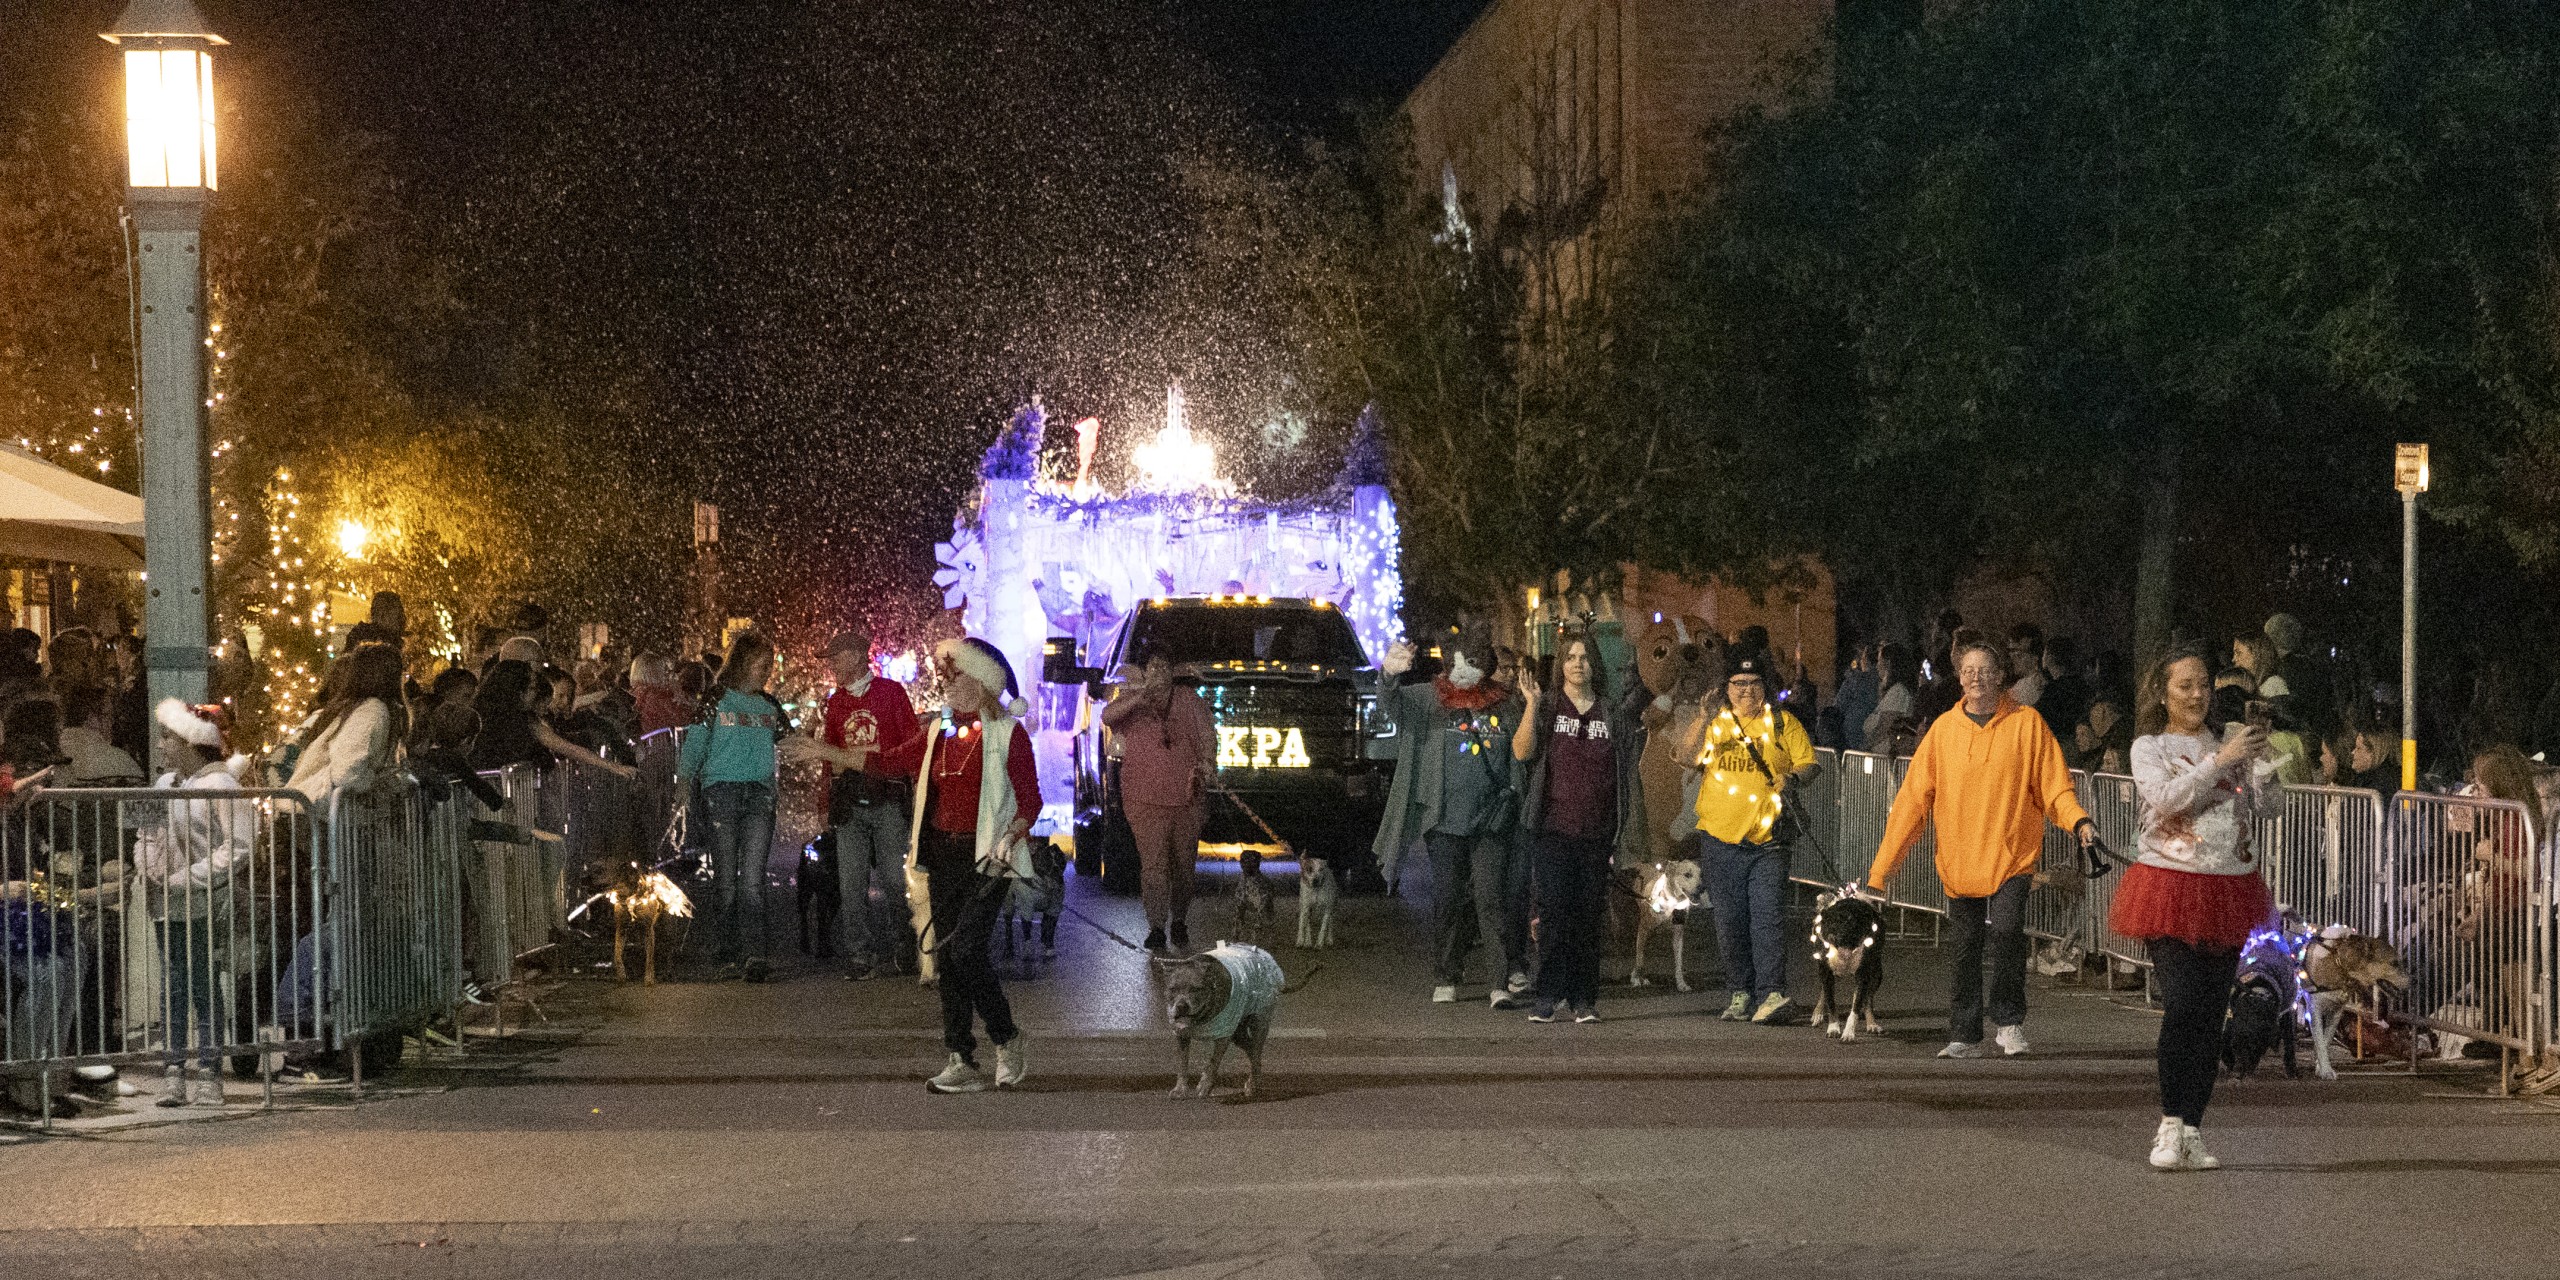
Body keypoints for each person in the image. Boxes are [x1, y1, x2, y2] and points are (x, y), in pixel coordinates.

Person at [1859, 640, 2095, 1059]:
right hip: (1959, 860)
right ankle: (1964, 1034)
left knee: (2006, 933)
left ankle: (2008, 1021)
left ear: (2000, 676)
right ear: (1959, 678)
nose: (1976, 678)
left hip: (2012, 857)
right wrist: (1881, 872)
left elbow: (2054, 786)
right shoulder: (1942, 732)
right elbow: (1911, 804)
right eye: (1968, 671)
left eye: (1985, 670)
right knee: (1965, 948)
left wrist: (2078, 820)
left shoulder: (2027, 724)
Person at [2110, 642, 2277, 1171]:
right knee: (2182, 1004)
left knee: (2210, 1013)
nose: (2197, 695)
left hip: (2229, 886)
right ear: (2162, 693)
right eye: (2184, 686)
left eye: (2203, 685)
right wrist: (2220, 761)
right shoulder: (2149, 746)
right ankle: (2169, 1121)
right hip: (2169, 885)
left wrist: (2260, 765)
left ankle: (2193, 1128)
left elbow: (2270, 807)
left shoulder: (2230, 742)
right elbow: (2166, 798)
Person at [873, 636, 1036, 1094]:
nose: (947, 684)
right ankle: (960, 1057)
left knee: (967, 951)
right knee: (948, 956)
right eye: (946, 677)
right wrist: (827, 753)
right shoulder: (939, 732)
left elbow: (1030, 801)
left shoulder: (1008, 734)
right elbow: (891, 762)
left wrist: (1011, 834)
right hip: (943, 854)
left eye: (956, 676)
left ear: (981, 682)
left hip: (988, 859)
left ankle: (1006, 1038)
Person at [1373, 627, 1528, 1008]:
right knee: (1448, 899)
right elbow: (1391, 706)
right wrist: (1388, 674)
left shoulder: (1504, 703)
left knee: (1491, 900)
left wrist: (1513, 798)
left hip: (1492, 820)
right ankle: (1446, 973)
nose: (1463, 669)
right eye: (1456, 661)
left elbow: (1520, 754)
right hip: (1443, 821)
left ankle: (1498, 982)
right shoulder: (1429, 698)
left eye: (1471, 661)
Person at [1511, 634, 1646, 1024]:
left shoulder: (1610, 712)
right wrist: (1531, 703)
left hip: (1597, 832)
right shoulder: (1549, 706)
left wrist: (1626, 830)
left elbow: (1626, 769)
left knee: (1588, 918)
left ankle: (1583, 999)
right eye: (1570, 657)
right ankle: (1548, 995)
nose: (1577, 663)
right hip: (1553, 829)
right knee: (1554, 915)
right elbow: (1522, 751)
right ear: (1561, 665)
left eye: (1584, 657)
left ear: (1594, 664)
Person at [1683, 653, 1820, 1024]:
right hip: (1718, 839)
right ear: (1726, 688)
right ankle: (1740, 993)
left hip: (1767, 841)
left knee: (1767, 919)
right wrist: (1701, 717)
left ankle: (1771, 994)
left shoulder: (1781, 722)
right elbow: (1687, 757)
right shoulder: (1717, 724)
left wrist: (1792, 777)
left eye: (1754, 682)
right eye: (1738, 684)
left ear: (1765, 686)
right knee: (1730, 922)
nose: (1747, 690)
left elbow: (1809, 763)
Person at [133, 700, 253, 1108]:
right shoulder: (165, 784)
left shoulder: (222, 785)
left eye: (168, 737)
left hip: (204, 900)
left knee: (202, 983)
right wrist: (148, 864)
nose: (161, 744)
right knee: (173, 983)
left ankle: (208, 1071)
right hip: (166, 901)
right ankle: (173, 1071)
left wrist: (187, 879)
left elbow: (237, 847)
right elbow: (147, 832)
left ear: (189, 741)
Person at [675, 632, 807, 982]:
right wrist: (684, 784)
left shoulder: (769, 706)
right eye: (762, 664)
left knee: (752, 879)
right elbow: (695, 743)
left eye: (769, 665)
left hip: (760, 796)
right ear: (744, 663)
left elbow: (791, 743)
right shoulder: (717, 699)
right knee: (726, 879)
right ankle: (727, 950)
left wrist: (824, 752)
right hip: (721, 793)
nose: (767, 671)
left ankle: (754, 954)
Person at [798, 630, 922, 979]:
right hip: (849, 802)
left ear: (855, 656)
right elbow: (829, 755)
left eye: (836, 659)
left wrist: (916, 792)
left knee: (895, 880)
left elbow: (912, 745)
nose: (832, 666)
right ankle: (860, 953)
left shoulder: (891, 693)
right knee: (851, 883)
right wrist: (824, 803)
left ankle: (904, 944)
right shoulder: (836, 703)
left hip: (887, 798)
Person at [1101, 652, 1214, 952]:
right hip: (1144, 799)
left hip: (1187, 798)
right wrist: (1141, 697)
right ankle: (1156, 926)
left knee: (1184, 866)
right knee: (1153, 866)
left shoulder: (1188, 700)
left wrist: (1207, 762)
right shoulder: (1132, 701)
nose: (1158, 671)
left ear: (1172, 671)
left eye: (1164, 666)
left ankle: (1180, 920)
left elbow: (1206, 734)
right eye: (1152, 666)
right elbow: (1108, 716)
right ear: (1144, 671)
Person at [286, 643, 407, 812]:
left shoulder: (352, 708)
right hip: (314, 812)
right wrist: (375, 782)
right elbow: (346, 772)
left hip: (306, 810)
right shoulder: (371, 710)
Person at [59, 684, 144, 786]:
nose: (112, 722)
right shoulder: (120, 760)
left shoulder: (55, 755)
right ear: (90, 718)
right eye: (108, 715)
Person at [1863, 643, 1920, 756]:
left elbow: (1885, 727)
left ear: (1888, 663)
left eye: (1879, 661)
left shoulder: (1898, 692)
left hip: (1885, 758)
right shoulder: (1892, 691)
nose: (1877, 666)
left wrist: (1866, 747)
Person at [2006, 624, 2047, 708]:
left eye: (2018, 654)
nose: (2012, 658)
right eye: (2010, 651)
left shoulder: (2025, 688)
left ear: (2035, 656)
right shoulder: (2019, 685)